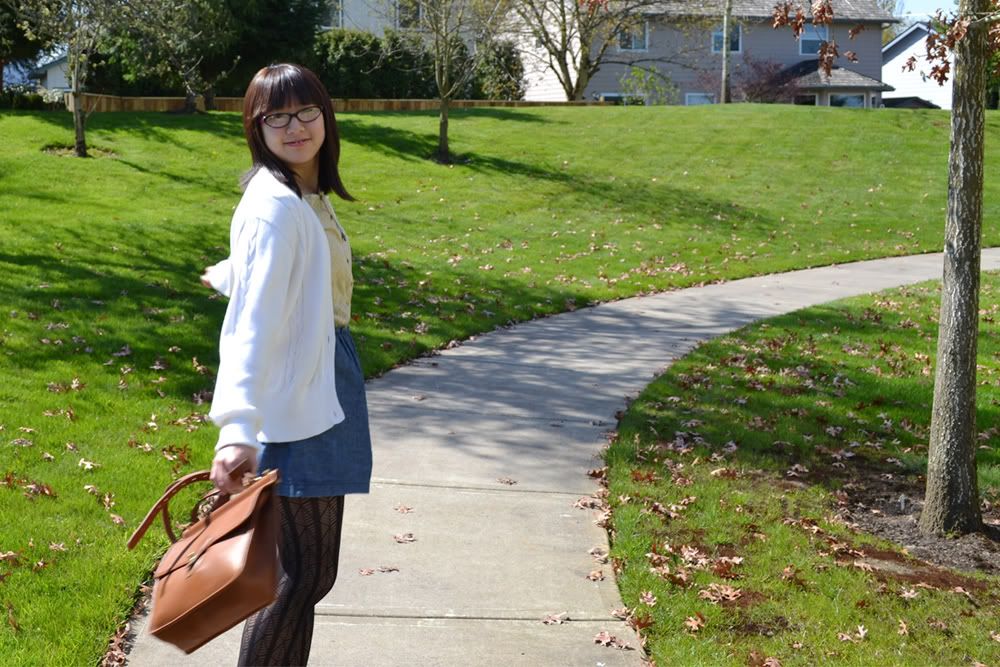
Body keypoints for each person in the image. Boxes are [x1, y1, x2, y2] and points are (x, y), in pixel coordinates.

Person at [200, 63, 372, 666]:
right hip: (303, 400)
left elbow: (281, 278)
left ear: (325, 115)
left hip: (325, 381)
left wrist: (229, 273)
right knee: (299, 577)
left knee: (306, 578)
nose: (295, 126)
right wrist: (237, 428)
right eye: (277, 115)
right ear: (257, 126)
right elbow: (252, 324)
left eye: (306, 111)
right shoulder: (274, 204)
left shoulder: (302, 193)